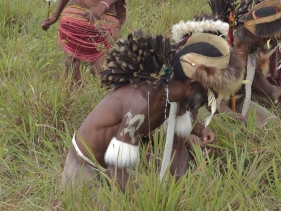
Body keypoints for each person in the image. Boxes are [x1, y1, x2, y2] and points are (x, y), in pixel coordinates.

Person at [62, 31, 245, 198]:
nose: (211, 101)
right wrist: (151, 202)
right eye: (210, 93)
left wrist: (199, 130)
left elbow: (177, 147)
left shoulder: (176, 97)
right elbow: (116, 170)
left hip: (114, 167)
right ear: (191, 85)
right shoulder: (142, 103)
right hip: (84, 168)